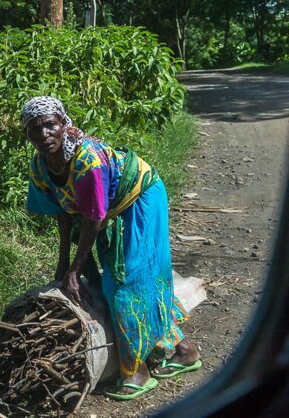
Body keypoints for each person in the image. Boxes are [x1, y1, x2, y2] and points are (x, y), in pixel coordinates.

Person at [22, 96, 202, 400]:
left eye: (50, 125)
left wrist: (76, 269)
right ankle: (183, 351)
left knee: (125, 285)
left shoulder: (87, 161)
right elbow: (62, 212)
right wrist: (64, 261)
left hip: (140, 198)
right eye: (34, 129)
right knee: (122, 283)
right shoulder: (41, 166)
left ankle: (136, 372)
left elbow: (93, 218)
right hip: (110, 210)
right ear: (27, 134)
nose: (44, 134)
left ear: (64, 124)